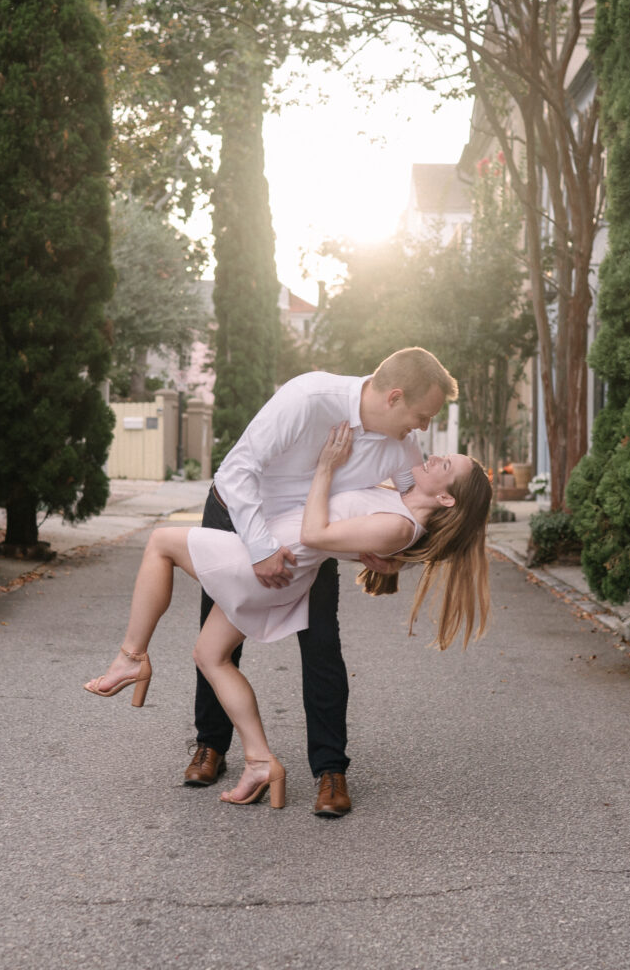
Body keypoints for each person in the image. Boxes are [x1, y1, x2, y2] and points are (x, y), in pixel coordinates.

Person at [84, 422, 492, 811]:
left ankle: (132, 657)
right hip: (281, 561)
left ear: (447, 499)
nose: (435, 456)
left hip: (271, 558)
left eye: (445, 464)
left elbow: (317, 534)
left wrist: (326, 469)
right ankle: (260, 762)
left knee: (160, 542)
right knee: (210, 655)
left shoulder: (400, 525)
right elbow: (391, 471)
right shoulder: (401, 503)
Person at [188, 346, 458, 817]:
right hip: (238, 514)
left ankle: (330, 770)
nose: (424, 427)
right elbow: (237, 472)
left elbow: (417, 507)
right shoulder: (310, 398)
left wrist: (394, 560)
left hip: (310, 537)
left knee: (322, 646)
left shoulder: (403, 446)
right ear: (394, 396)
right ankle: (211, 745)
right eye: (422, 414)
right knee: (218, 638)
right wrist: (261, 549)